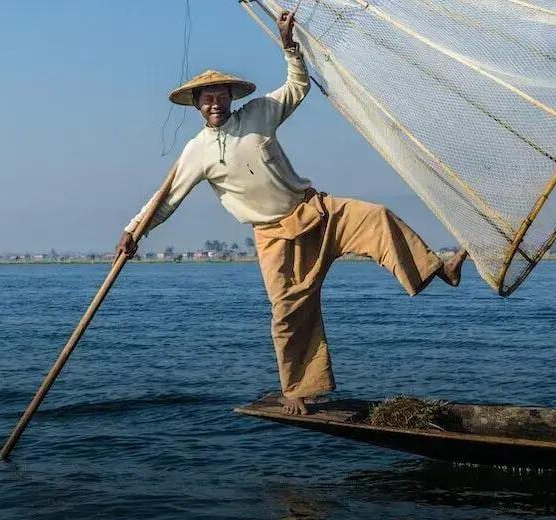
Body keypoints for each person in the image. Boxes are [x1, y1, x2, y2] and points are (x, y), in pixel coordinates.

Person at [117, 11, 468, 415]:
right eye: (206, 97)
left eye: (220, 94)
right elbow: (165, 201)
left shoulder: (259, 113)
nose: (214, 102)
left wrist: (289, 47)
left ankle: (439, 269)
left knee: (378, 217)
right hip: (274, 237)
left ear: (232, 97)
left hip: (316, 211)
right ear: (197, 104)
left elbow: (298, 86)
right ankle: (298, 389)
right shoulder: (195, 152)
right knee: (288, 312)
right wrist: (133, 232)